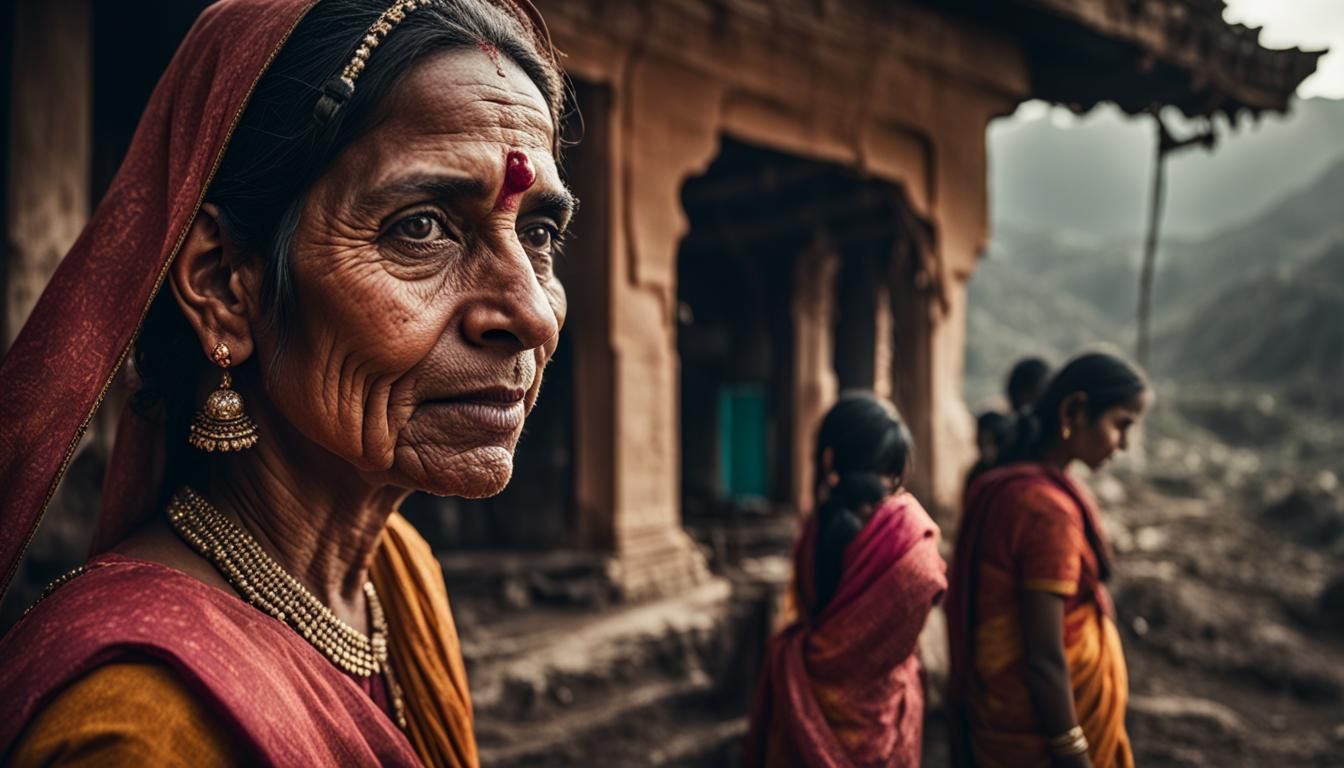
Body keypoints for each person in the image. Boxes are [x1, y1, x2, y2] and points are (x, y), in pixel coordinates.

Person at [0, 1, 573, 765]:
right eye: (422, 227)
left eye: (539, 235)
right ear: (223, 285)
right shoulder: (136, 729)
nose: (531, 314)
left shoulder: (394, 577)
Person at [946, 353, 1149, 768]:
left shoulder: (1009, 485)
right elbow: (1043, 656)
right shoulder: (1045, 509)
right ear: (1074, 411)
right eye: (1120, 425)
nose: (1124, 444)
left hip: (999, 713)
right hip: (1041, 730)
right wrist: (1072, 751)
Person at [745, 393, 947, 768]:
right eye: (889, 480)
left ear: (827, 461)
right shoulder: (908, 546)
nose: (891, 499)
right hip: (880, 718)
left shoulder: (812, 532)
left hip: (805, 697)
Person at [966, 410, 1016, 490]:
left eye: (990, 443)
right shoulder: (977, 474)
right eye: (982, 443)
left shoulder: (1014, 472)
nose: (986, 450)